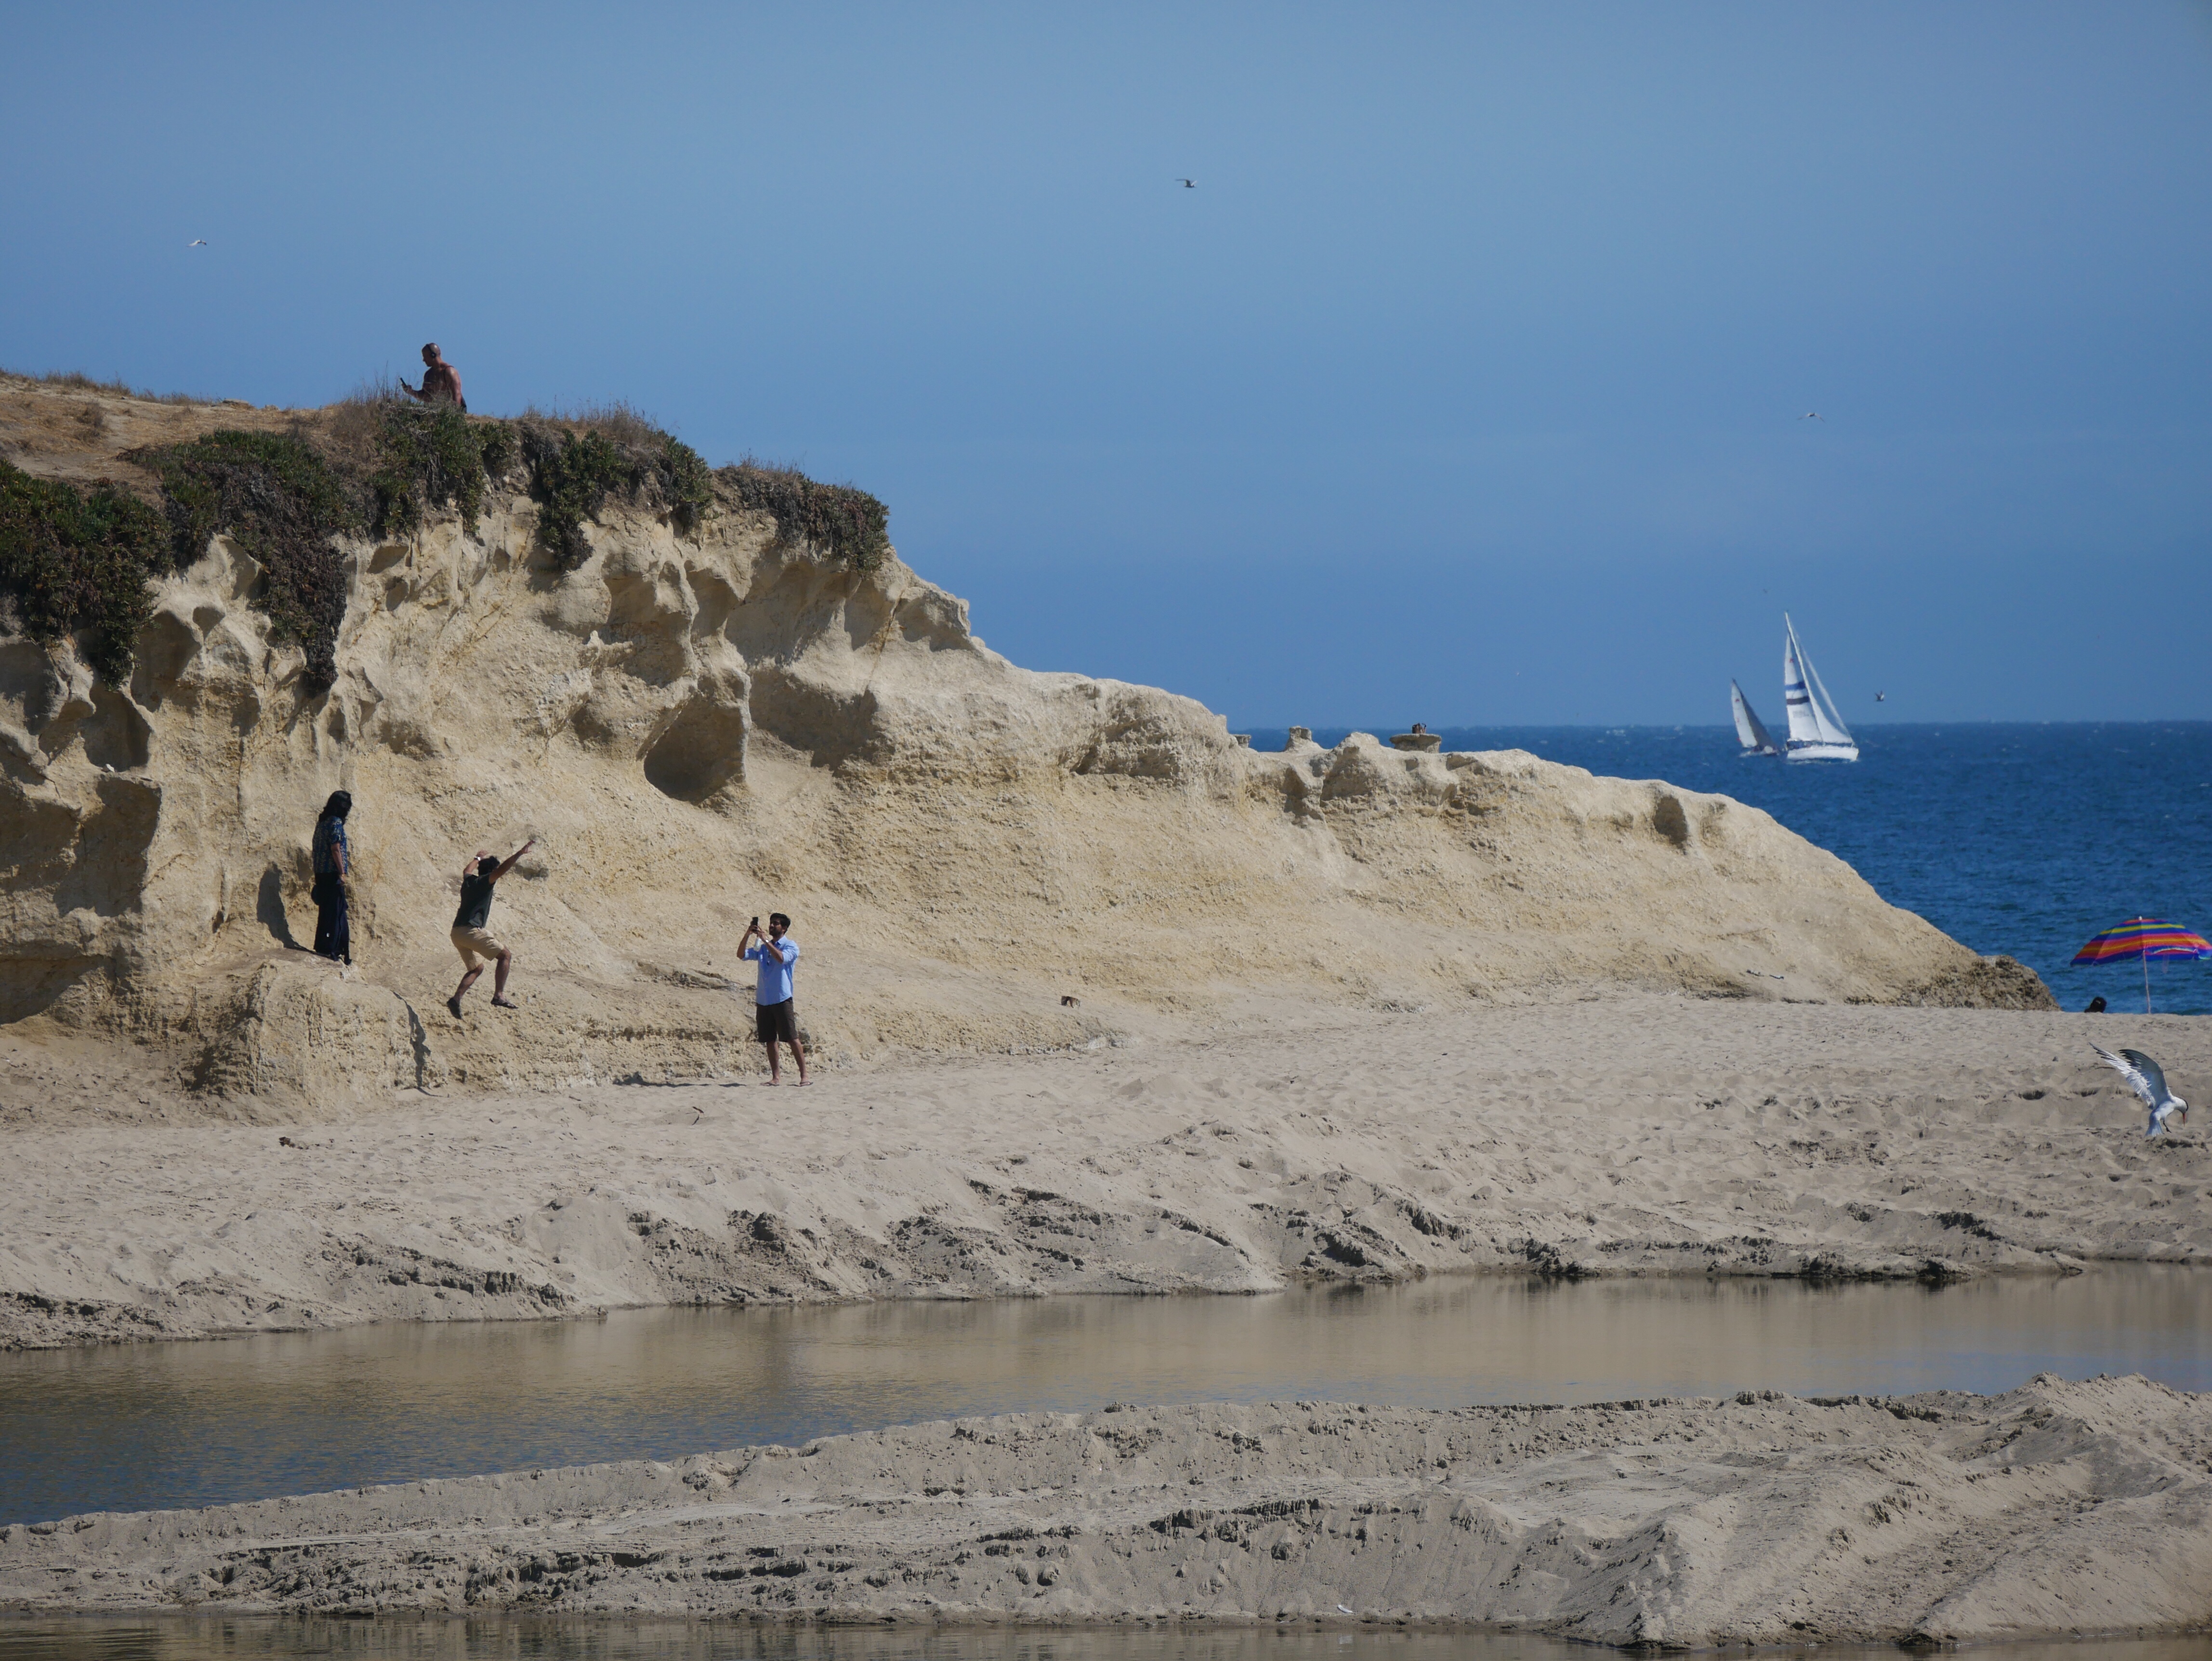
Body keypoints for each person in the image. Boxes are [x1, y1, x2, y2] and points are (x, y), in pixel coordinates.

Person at [448, 839, 533, 1017]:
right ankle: (499, 995)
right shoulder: (486, 882)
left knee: (477, 969)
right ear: (492, 872)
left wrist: (478, 858)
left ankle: (456, 999)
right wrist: (519, 853)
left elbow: (466, 871)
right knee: (505, 956)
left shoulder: (469, 881)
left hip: (456, 933)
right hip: (471, 930)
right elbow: (503, 869)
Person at [739, 912, 807, 1084]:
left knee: (792, 1037)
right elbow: (741, 955)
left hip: (782, 997)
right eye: (771, 923)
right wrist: (748, 934)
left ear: (784, 928)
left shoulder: (790, 946)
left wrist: (766, 941)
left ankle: (804, 1076)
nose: (771, 926)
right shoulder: (763, 948)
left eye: (776, 923)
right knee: (769, 1040)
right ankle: (776, 1077)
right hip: (764, 999)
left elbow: (782, 958)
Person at [310, 791, 353, 964]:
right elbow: (336, 848)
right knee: (336, 912)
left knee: (325, 912)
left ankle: (322, 946)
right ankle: (333, 949)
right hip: (332, 873)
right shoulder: (335, 822)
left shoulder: (322, 822)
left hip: (321, 872)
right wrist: (342, 872)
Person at [401, 343, 465, 411]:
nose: (424, 360)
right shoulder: (428, 374)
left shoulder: (449, 371)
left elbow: (457, 394)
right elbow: (425, 396)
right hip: (434, 412)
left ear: (433, 355)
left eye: (425, 357)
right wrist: (411, 392)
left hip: (451, 412)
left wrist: (454, 413)